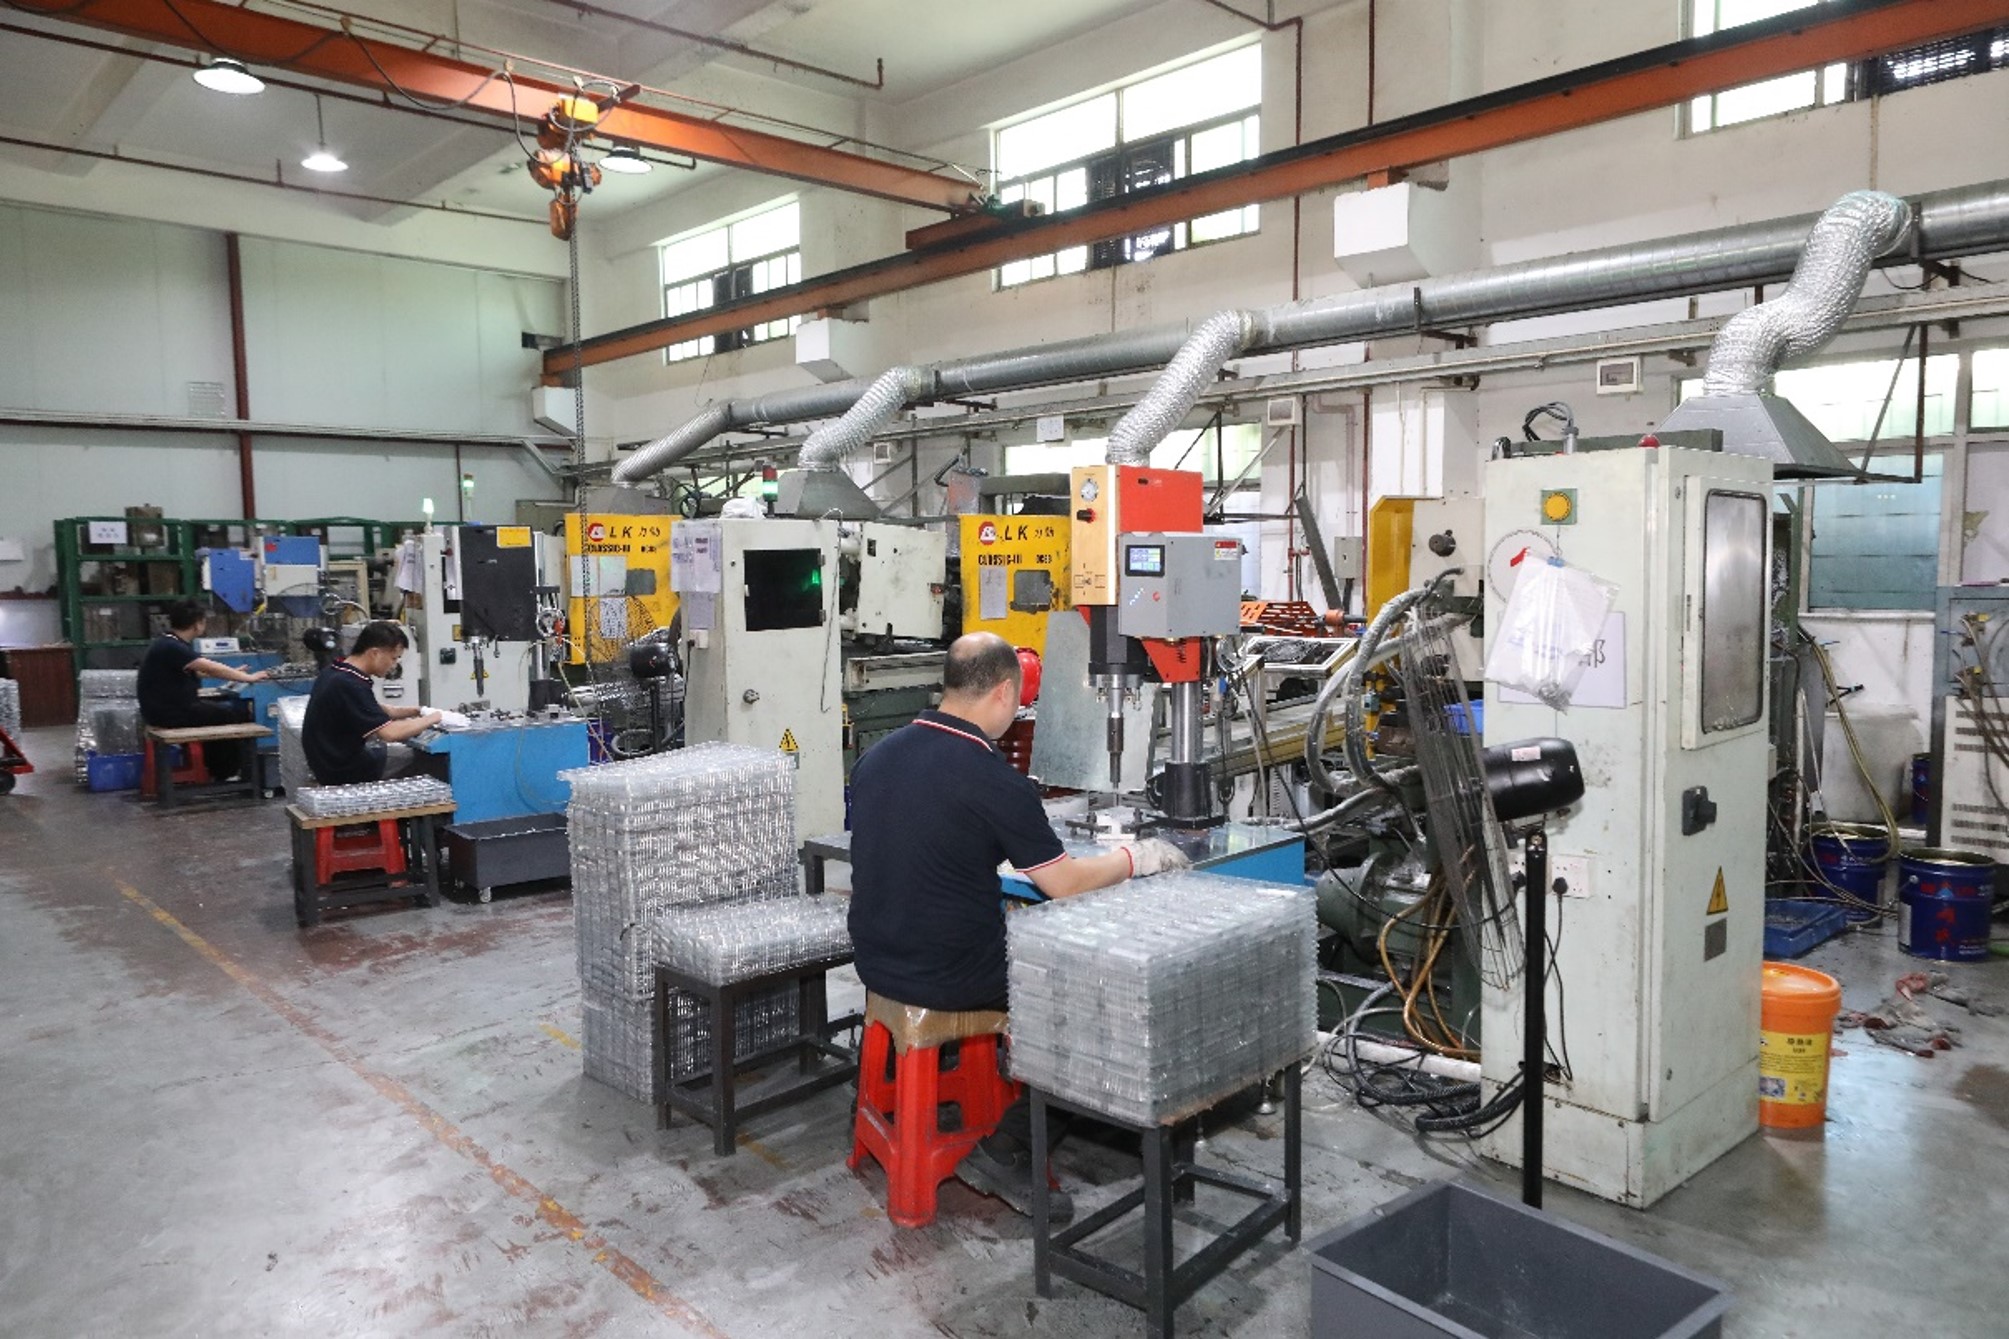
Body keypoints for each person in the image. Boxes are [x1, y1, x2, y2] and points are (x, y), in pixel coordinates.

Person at [847, 631, 1190, 1223]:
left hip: (876, 959)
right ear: (1005, 693)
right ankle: (1009, 1148)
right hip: (948, 974)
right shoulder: (992, 778)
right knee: (1098, 997)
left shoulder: (878, 756)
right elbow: (1065, 884)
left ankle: (999, 1092)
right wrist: (1138, 857)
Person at [136, 600, 268, 780]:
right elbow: (209, 667)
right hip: (169, 714)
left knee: (217, 712)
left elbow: (197, 670)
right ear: (197, 624)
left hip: (166, 710)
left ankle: (216, 768)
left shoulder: (168, 642)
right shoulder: (172, 647)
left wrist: (233, 673)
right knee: (232, 715)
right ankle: (227, 773)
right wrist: (248, 678)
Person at [302, 620, 440, 785]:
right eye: (393, 658)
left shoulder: (335, 671)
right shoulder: (350, 684)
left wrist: (417, 711)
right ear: (375, 653)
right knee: (431, 758)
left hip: (328, 761)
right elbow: (390, 733)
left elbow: (375, 709)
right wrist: (434, 718)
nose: (393, 666)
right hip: (345, 768)